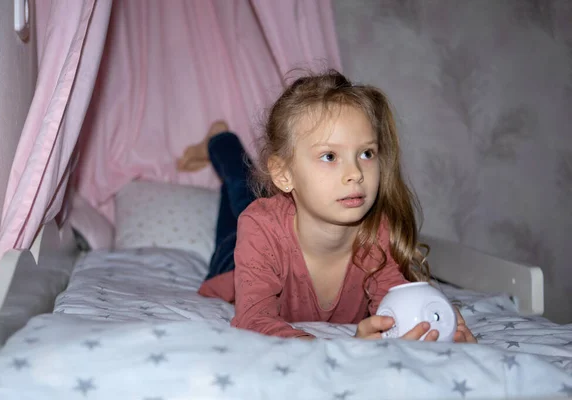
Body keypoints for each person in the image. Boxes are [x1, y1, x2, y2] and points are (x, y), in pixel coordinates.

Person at [177, 70, 476, 343]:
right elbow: (254, 319)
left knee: (243, 198)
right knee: (242, 194)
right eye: (330, 156)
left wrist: (431, 326)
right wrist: (323, 351)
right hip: (235, 263)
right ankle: (220, 140)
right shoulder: (260, 226)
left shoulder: (376, 230)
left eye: (366, 153)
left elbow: (394, 307)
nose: (356, 173)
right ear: (284, 174)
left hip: (279, 224)